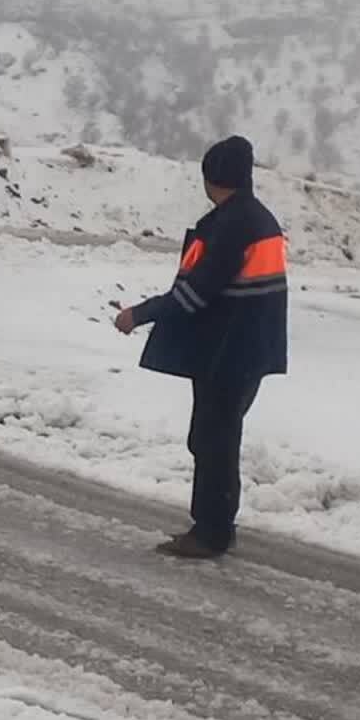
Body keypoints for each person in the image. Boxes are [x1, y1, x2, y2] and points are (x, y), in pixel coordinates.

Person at [114, 135, 288, 558]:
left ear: (213, 177)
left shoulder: (232, 225)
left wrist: (139, 314)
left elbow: (197, 293)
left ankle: (211, 532)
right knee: (215, 437)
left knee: (214, 440)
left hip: (228, 352)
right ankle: (214, 525)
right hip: (245, 348)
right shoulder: (257, 218)